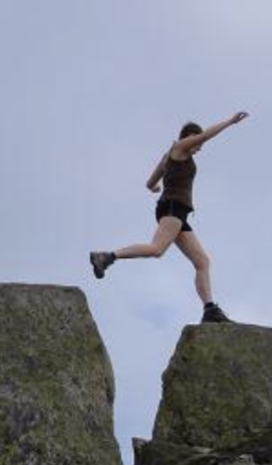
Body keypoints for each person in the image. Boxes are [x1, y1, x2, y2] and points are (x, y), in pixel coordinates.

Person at [90, 111, 249, 323]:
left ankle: (209, 309)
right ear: (188, 137)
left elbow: (149, 183)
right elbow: (206, 136)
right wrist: (229, 122)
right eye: (197, 141)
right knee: (156, 249)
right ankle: (107, 257)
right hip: (173, 209)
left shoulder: (169, 156)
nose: (200, 146)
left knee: (202, 261)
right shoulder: (179, 148)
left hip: (178, 212)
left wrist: (156, 187)